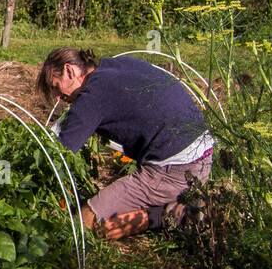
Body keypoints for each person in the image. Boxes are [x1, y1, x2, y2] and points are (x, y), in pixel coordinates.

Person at [37, 47, 213, 240]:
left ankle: (166, 215)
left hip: (176, 171)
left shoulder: (92, 97)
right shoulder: (114, 66)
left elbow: (58, 155)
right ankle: (178, 202)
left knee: (83, 222)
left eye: (55, 86)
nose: (57, 97)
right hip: (201, 155)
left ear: (70, 71)